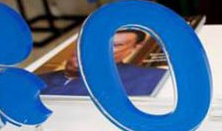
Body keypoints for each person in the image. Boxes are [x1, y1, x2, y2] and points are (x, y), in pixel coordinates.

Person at [38, 29, 166, 96]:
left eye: (115, 45)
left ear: (135, 48)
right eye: (95, 41)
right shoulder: (37, 79)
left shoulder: (152, 77)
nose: (99, 49)